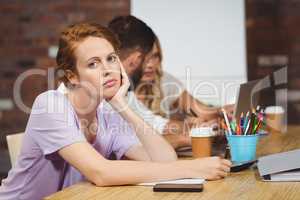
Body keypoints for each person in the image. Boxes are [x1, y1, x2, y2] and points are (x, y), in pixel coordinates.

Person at [0, 22, 231, 200]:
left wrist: (122, 105)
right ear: (72, 75)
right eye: (93, 63)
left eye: (111, 59)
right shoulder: (50, 106)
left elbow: (161, 159)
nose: (108, 69)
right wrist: (192, 167)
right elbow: (101, 173)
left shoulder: (107, 111)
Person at [108, 16, 219, 149]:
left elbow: (154, 124)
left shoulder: (124, 91)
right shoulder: (108, 94)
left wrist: (193, 128)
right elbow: (132, 146)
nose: (149, 65)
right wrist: (183, 138)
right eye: (147, 59)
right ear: (137, 59)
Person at [134, 35, 231, 121]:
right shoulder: (123, 91)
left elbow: (200, 110)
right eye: (144, 57)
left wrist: (222, 111)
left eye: (155, 56)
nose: (150, 64)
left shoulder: (163, 79)